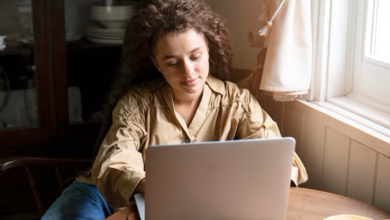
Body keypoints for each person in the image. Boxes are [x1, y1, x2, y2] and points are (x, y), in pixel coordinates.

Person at [42, 0, 308, 219]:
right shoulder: (137, 102)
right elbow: (115, 160)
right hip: (100, 193)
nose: (188, 72)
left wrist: (249, 181)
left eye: (195, 56)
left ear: (209, 50)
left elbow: (283, 160)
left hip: (193, 205)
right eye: (172, 62)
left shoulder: (236, 101)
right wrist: (154, 185)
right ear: (156, 63)